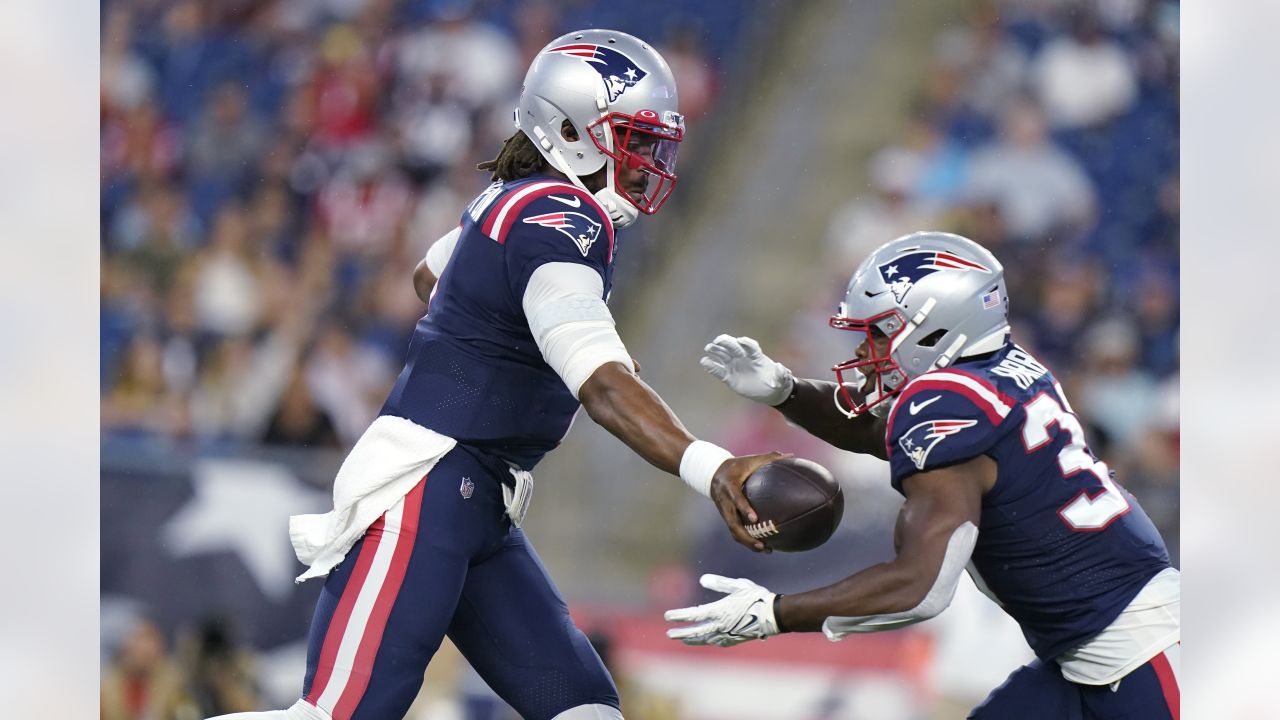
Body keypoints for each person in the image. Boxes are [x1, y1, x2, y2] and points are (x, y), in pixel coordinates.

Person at [208, 29, 779, 720]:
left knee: (585, 712)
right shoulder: (559, 216)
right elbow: (598, 386)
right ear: (569, 131)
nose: (649, 160)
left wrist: (512, 323)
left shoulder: (515, 201)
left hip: (475, 499)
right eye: (634, 137)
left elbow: (431, 273)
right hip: (427, 487)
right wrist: (713, 466)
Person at [665, 232, 1179, 719]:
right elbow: (883, 433)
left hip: (1140, 655)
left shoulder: (945, 402)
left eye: (877, 334)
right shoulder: (1006, 368)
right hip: (1099, 651)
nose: (864, 353)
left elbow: (920, 587)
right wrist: (786, 390)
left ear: (932, 329)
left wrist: (776, 613)